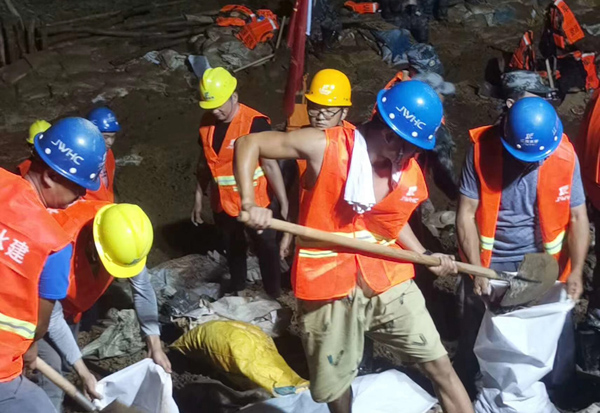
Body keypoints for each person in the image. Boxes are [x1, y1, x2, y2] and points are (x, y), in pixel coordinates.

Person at [234, 80, 473, 413]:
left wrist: (424, 255)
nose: (416, 155)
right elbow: (248, 143)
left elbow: (391, 219)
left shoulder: (404, 170)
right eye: (412, 147)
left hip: (387, 279)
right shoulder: (325, 146)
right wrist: (249, 202)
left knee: (439, 365)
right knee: (337, 384)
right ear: (389, 136)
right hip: (328, 285)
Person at [456, 96, 589, 399]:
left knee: (555, 330)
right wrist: (476, 269)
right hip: (490, 259)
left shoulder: (563, 155)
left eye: (539, 158)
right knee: (477, 330)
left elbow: (578, 216)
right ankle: (469, 392)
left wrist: (577, 270)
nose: (533, 164)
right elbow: (465, 214)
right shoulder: (481, 151)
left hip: (542, 261)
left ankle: (559, 393)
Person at [0, 118, 106, 413]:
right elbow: (40, 324)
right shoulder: (53, 245)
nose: (82, 195)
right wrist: (28, 345)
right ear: (49, 176)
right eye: (78, 186)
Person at [37, 201, 170, 411]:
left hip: (71, 307)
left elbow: (143, 288)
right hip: (33, 308)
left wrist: (155, 345)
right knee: (51, 370)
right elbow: (51, 318)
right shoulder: (59, 248)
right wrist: (83, 371)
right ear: (94, 246)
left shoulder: (122, 236)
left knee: (65, 361)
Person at [191, 67, 289, 297]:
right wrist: (198, 197)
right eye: (210, 106)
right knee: (233, 247)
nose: (215, 111)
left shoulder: (254, 123)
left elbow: (270, 164)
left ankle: (273, 293)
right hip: (223, 203)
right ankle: (238, 288)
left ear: (234, 97)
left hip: (256, 203)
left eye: (219, 105)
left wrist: (283, 202)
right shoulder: (206, 124)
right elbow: (205, 163)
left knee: (266, 247)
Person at [85, 107, 120, 202]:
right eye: (105, 137)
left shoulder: (108, 154)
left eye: (113, 137)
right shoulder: (80, 159)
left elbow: (110, 184)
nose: (110, 142)